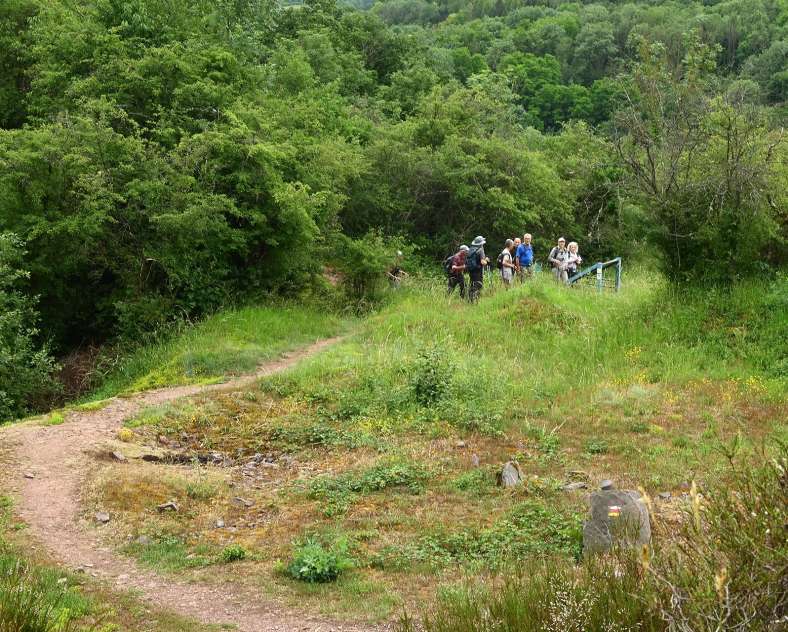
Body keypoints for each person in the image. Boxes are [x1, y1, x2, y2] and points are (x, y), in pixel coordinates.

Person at [466, 236, 489, 303]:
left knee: (472, 283)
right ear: (481, 243)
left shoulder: (471, 249)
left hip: (471, 270)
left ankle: (470, 300)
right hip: (478, 270)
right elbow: (483, 262)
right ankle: (475, 300)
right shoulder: (480, 250)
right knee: (478, 284)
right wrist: (486, 261)